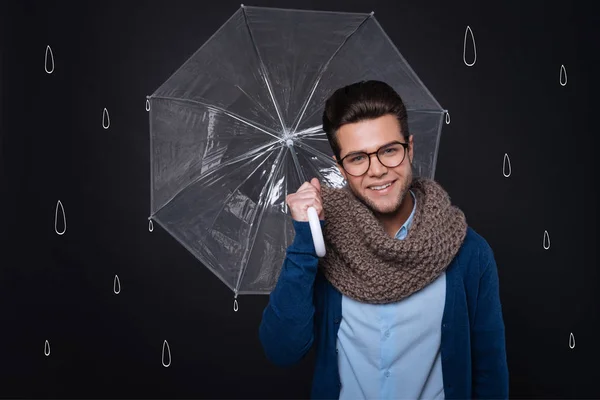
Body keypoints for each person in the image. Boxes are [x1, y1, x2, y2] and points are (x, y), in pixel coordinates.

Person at [259, 80, 508, 399]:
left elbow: (490, 374)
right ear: (340, 167)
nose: (376, 170)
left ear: (410, 148)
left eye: (389, 150)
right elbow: (282, 350)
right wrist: (306, 240)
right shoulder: (322, 243)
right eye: (358, 158)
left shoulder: (469, 253)